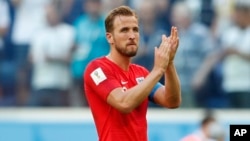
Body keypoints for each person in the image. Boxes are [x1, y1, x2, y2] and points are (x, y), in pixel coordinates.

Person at [84, 6, 181, 141]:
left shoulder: (141, 73)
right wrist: (158, 70)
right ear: (110, 38)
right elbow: (124, 103)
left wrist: (169, 64)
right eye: (124, 30)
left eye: (135, 30)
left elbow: (172, 101)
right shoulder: (97, 69)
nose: (132, 35)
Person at [28, 3, 75, 106]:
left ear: (59, 14)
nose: (49, 16)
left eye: (52, 13)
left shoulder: (68, 31)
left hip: (60, 83)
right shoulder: (38, 33)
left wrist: (54, 58)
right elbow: (31, 57)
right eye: (47, 14)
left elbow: (71, 57)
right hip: (40, 83)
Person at [71, 0, 109, 106]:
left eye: (96, 3)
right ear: (86, 6)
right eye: (91, 3)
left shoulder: (107, 24)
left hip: (99, 71)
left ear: (100, 5)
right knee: (80, 102)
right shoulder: (79, 23)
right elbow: (73, 44)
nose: (93, 6)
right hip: (80, 69)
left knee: (99, 102)